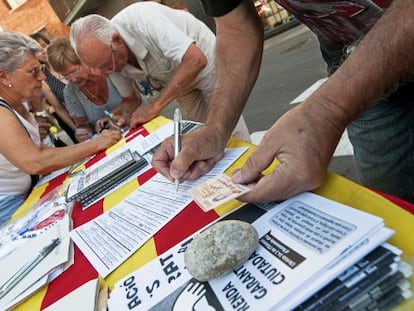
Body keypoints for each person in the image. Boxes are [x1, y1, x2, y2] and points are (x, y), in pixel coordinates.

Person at [151, 0, 414, 204]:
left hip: (358, 78)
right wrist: (216, 129)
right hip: (364, 84)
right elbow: (235, 27)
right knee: (391, 203)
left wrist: (327, 110)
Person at [69, 1, 251, 142]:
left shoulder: (143, 19)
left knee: (226, 125)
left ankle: (253, 177)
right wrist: (119, 117)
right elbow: (131, 100)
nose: (106, 72)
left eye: (107, 64)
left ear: (116, 40)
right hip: (178, 76)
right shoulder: (107, 57)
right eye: (99, 68)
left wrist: (154, 106)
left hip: (205, 60)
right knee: (202, 132)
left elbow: (196, 60)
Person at [0, 32, 121, 225]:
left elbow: (41, 150)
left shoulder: (18, 104)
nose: (41, 77)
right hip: (7, 206)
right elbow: (34, 162)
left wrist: (81, 152)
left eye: (40, 69)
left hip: (22, 194)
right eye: (33, 72)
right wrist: (96, 144)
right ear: (5, 77)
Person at [47, 38, 141, 142]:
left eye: (74, 71)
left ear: (83, 59)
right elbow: (83, 125)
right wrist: (83, 132)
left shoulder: (107, 69)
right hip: (113, 141)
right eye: (65, 76)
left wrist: (110, 117)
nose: (72, 79)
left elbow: (136, 99)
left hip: (140, 124)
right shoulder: (70, 93)